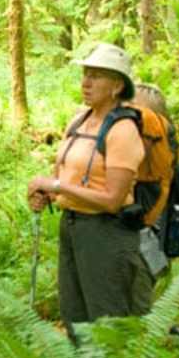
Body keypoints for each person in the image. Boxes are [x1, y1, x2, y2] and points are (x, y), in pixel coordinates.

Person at [27, 43, 152, 340]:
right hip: (72, 227)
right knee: (75, 319)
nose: (86, 82)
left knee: (107, 322)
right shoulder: (79, 121)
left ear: (117, 85)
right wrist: (47, 195)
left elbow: (113, 199)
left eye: (96, 75)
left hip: (106, 234)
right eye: (85, 74)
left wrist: (56, 186)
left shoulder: (123, 130)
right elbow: (67, 179)